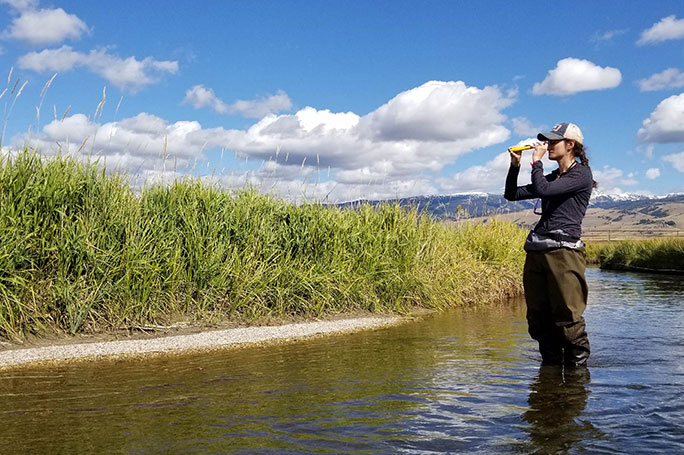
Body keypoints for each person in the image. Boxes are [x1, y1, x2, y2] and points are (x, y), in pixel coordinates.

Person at [504, 122, 594, 367]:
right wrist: (515, 166)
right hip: (536, 250)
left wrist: (536, 161)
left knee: (567, 317)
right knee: (539, 318)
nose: (547, 145)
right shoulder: (555, 177)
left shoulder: (581, 174)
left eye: (553, 141)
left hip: (564, 252)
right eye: (547, 141)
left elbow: (543, 189)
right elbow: (512, 194)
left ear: (571, 145)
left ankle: (577, 379)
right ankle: (551, 374)